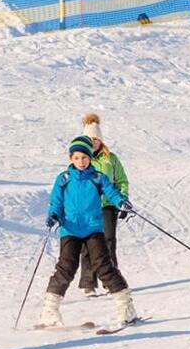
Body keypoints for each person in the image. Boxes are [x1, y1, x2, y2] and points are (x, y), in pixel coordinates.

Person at [39, 136, 138, 331]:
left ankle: (126, 307)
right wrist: (53, 216)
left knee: (104, 266)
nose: (81, 162)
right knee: (65, 268)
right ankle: (50, 311)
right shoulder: (64, 179)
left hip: (93, 228)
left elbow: (111, 193)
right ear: (71, 159)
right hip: (70, 229)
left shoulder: (98, 177)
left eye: (84, 158)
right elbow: (56, 202)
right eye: (76, 158)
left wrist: (121, 202)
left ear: (90, 158)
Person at [76, 112, 128, 296]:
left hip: (108, 204)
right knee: (88, 244)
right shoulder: (81, 160)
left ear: (101, 140)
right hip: (88, 207)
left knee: (108, 241)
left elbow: (121, 180)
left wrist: (123, 199)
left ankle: (111, 281)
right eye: (89, 139)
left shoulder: (111, 159)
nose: (93, 142)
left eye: (96, 139)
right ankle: (88, 283)